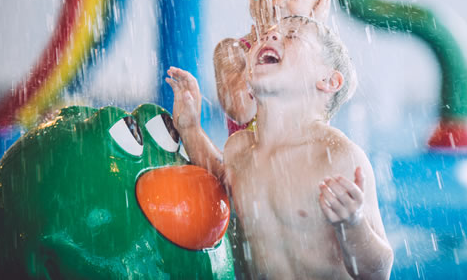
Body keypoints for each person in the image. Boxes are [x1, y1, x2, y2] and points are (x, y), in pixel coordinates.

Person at [166, 16, 393, 279]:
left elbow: (378, 272)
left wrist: (353, 223)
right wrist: (191, 129)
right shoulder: (239, 150)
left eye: (292, 35)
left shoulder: (337, 156)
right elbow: (217, 178)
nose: (269, 36)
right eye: (267, 33)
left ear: (328, 81)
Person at [213, 0, 333, 135]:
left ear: (319, 1)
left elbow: (328, 100)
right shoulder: (232, 52)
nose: (277, 2)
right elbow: (241, 111)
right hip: (252, 168)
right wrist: (263, 42)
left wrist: (310, 34)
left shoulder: (321, 57)